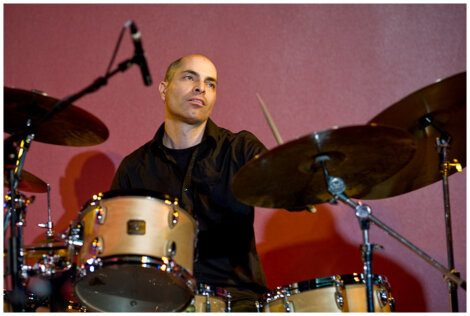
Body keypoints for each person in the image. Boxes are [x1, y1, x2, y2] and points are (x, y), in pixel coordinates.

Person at [111, 54, 268, 311]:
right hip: (160, 302)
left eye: (211, 83)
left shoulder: (240, 149)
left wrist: (295, 184)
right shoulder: (135, 167)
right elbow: (118, 247)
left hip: (235, 300)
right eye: (189, 77)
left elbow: (282, 185)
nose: (200, 88)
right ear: (164, 89)